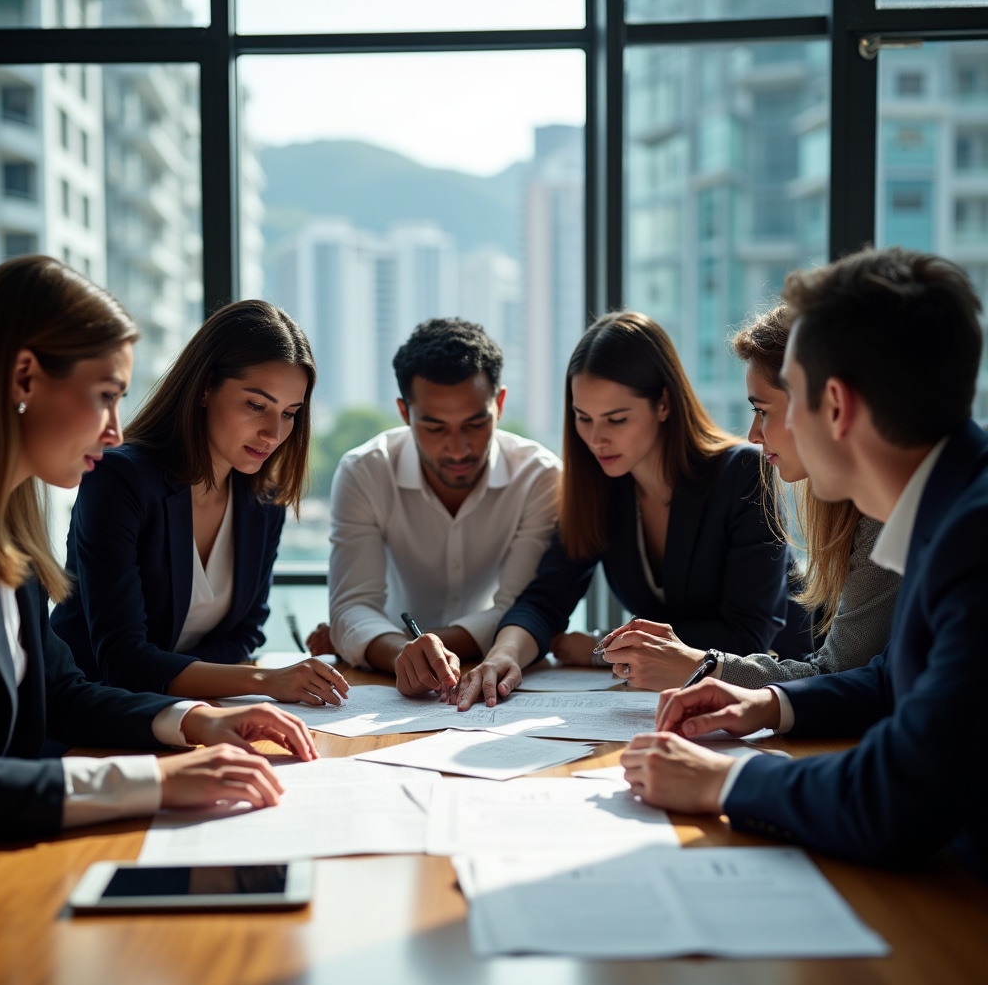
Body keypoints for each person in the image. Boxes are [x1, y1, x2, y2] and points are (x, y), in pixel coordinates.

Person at [621, 247, 988, 877]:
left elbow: (894, 798)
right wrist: (771, 704)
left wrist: (725, 783)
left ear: (837, 408)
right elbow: (895, 679)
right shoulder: (953, 505)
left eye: (782, 400)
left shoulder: (975, 537)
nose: (760, 433)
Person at [0, 255, 318, 846]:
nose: (114, 431)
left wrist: (198, 719)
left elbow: (61, 690)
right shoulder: (115, 483)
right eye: (105, 395)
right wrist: (153, 782)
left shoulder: (10, 539)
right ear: (24, 378)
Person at [454, 310, 788, 710]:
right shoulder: (601, 485)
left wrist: (601, 647)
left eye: (616, 419)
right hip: (664, 702)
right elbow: (547, 596)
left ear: (663, 403)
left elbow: (748, 639)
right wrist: (502, 655)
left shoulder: (743, 473)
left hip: (775, 695)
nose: (596, 439)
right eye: (583, 418)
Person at [50, 300, 348, 708]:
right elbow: (121, 660)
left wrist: (182, 679)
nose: (273, 434)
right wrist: (265, 680)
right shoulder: (119, 480)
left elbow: (246, 632)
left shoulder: (265, 499)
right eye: (256, 405)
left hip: (194, 715)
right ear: (205, 388)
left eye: (290, 413)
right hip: (90, 720)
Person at [593, 304, 900, 690]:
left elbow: (839, 673)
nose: (754, 434)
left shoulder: (888, 514)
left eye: (763, 411)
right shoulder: (854, 505)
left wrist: (705, 666)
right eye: (582, 418)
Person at [317, 317, 560, 697]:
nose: (459, 448)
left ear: (499, 403)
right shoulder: (365, 470)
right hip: (390, 671)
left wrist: (402, 647)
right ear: (404, 413)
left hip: (491, 666)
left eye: (476, 423)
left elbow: (518, 608)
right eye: (434, 428)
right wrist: (402, 652)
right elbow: (351, 607)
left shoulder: (539, 477)